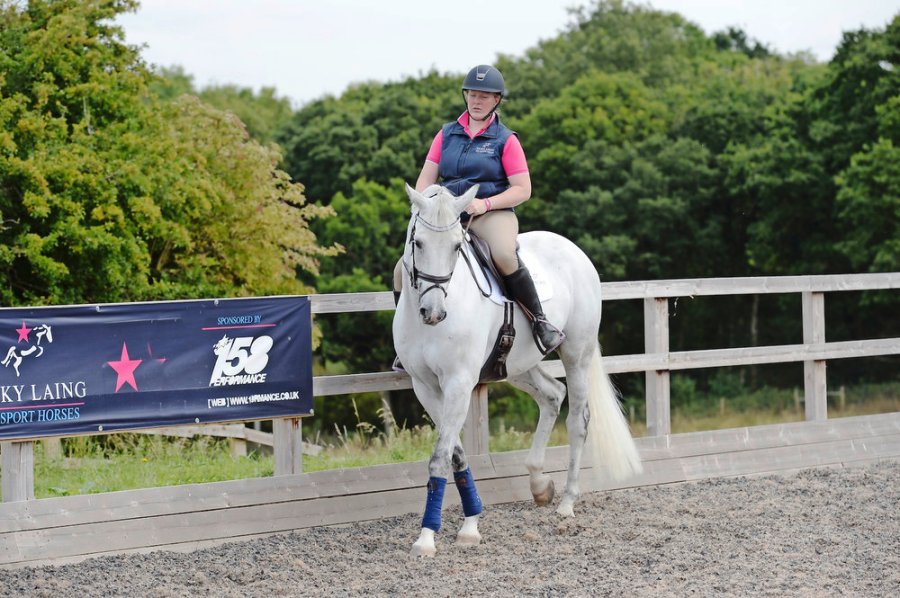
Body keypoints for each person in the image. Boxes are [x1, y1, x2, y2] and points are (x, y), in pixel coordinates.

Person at [393, 64, 565, 360]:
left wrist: (485, 204)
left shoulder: (505, 140)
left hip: (490, 212)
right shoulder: (446, 134)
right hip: (447, 217)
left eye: (484, 96)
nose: (476, 100)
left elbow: (523, 189)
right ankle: (407, 343)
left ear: (496, 100)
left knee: (503, 254)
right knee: (400, 270)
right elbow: (426, 178)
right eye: (472, 94)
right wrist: (427, 203)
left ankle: (540, 322)